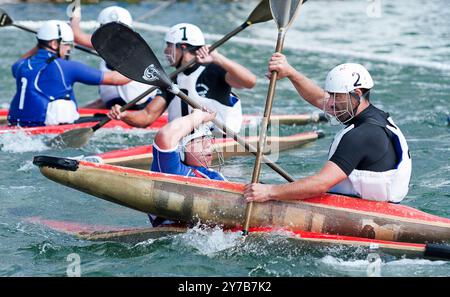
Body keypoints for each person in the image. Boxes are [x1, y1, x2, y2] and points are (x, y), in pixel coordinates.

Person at [244, 53, 412, 203]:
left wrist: (269, 192)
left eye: (336, 96)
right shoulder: (374, 115)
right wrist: (290, 73)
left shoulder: (362, 135)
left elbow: (320, 184)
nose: (330, 102)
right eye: (330, 95)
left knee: (268, 190)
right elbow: (319, 98)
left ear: (358, 94)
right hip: (368, 203)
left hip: (364, 215)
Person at [108, 23, 257, 134]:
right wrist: (124, 115)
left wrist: (218, 58)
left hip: (217, 144)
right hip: (184, 145)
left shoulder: (214, 70)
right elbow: (147, 117)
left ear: (183, 46)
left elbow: (250, 82)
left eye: (169, 46)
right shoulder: (169, 81)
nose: (166, 51)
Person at [8, 20, 131, 127]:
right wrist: (142, 68)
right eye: (67, 44)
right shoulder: (66, 67)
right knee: (103, 119)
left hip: (18, 125)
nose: (69, 49)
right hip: (49, 128)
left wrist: (41, 43)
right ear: (54, 44)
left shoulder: (21, 66)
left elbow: (19, 62)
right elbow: (117, 79)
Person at [149, 109, 225, 226]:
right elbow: (166, 136)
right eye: (200, 141)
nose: (208, 145)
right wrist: (198, 116)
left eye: (209, 140)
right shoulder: (168, 169)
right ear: (181, 150)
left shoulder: (212, 175)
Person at [70, 6, 155, 110]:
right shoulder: (106, 44)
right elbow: (77, 36)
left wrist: (76, 72)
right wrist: (75, 13)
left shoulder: (131, 50)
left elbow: (77, 36)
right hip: (116, 106)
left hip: (142, 109)